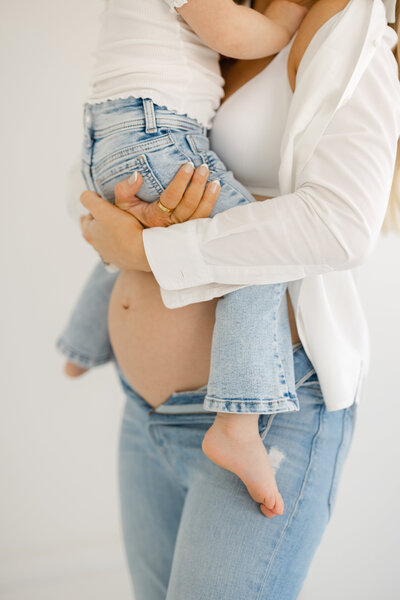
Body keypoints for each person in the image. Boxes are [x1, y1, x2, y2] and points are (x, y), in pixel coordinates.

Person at [77, 0, 400, 597]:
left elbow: (340, 227)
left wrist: (144, 254)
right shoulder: (228, 20)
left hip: (269, 417)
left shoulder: (350, 23)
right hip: (145, 412)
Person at [56, 0, 309, 516]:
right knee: (254, 253)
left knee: (144, 229)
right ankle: (237, 427)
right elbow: (235, 36)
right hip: (155, 134)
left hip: (114, 136)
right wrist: (284, 20)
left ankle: (81, 346)